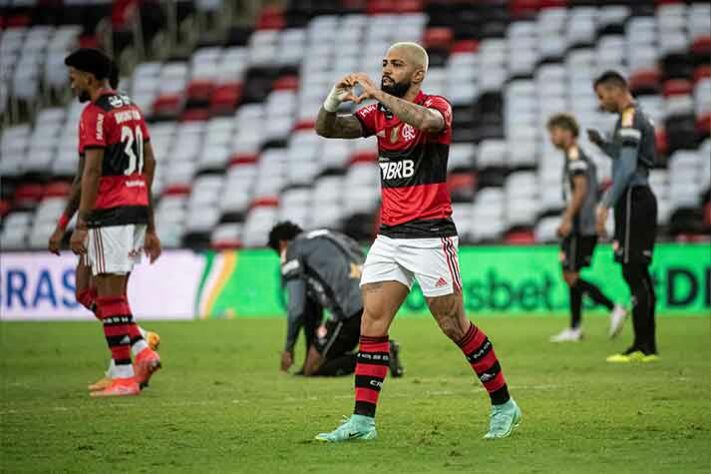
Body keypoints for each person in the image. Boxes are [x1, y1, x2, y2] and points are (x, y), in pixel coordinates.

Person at [313, 42, 521, 442]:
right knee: (372, 324)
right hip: (390, 237)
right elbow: (328, 129)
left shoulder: (436, 106)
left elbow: (426, 123)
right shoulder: (378, 113)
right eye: (385, 63)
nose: (387, 69)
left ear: (418, 74)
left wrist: (376, 92)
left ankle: (504, 405)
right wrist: (332, 100)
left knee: (453, 325)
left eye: (396, 64)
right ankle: (362, 422)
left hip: (431, 235)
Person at [49, 58, 161, 392]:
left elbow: (91, 173)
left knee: (108, 295)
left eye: (74, 78)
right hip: (134, 209)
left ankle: (125, 373)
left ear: (89, 76)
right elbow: (149, 162)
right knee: (91, 290)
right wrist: (149, 221)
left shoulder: (95, 114)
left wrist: (79, 225)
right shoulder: (131, 109)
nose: (72, 85)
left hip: (109, 211)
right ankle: (139, 347)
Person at [268, 221, 404, 378]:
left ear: (282, 243)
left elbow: (296, 309)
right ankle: (381, 353)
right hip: (373, 299)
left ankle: (383, 355)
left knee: (312, 369)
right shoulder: (330, 235)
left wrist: (288, 348)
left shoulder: (292, 250)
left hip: (347, 311)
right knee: (315, 350)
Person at [589, 70, 659, 363]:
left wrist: (605, 204)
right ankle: (646, 345)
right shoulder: (635, 116)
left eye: (602, 96)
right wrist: (604, 145)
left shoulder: (630, 116)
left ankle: (643, 346)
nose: (601, 103)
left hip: (633, 198)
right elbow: (625, 156)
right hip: (637, 199)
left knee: (633, 271)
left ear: (616, 90)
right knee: (637, 271)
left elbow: (628, 168)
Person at [546, 113, 628, 342]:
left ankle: (614, 307)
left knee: (570, 275)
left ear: (568, 133)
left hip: (580, 226)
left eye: (555, 132)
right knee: (572, 273)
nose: (552, 138)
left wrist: (567, 219)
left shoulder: (575, 156)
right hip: (584, 224)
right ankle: (574, 328)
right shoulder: (576, 156)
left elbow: (581, 189)